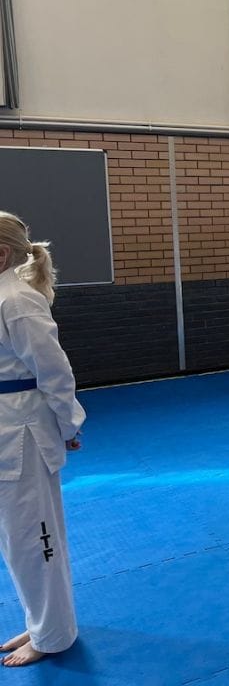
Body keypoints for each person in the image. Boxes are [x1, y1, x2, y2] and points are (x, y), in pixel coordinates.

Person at [0, 211, 85, 667]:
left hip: (23, 434)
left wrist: (69, 424)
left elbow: (54, 371)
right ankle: (43, 622)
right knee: (18, 539)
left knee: (34, 538)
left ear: (1, 254)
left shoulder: (17, 300)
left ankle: (52, 636)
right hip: (8, 426)